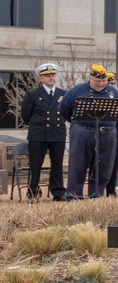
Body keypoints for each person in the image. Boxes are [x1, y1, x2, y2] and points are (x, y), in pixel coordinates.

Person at [59, 64, 118, 199]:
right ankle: (74, 196)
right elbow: (64, 109)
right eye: (97, 81)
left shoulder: (113, 92)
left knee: (103, 167)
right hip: (83, 131)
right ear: (91, 79)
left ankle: (96, 195)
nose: (101, 84)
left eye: (103, 81)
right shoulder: (76, 91)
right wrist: (77, 123)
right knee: (78, 165)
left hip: (107, 132)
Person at [19, 62, 67, 201]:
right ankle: (33, 192)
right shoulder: (33, 94)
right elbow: (26, 115)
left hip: (57, 133)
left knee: (57, 164)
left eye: (53, 75)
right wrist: (37, 125)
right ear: (41, 78)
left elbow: (67, 112)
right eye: (47, 76)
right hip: (38, 134)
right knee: (35, 164)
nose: (51, 78)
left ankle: (58, 192)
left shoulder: (62, 94)